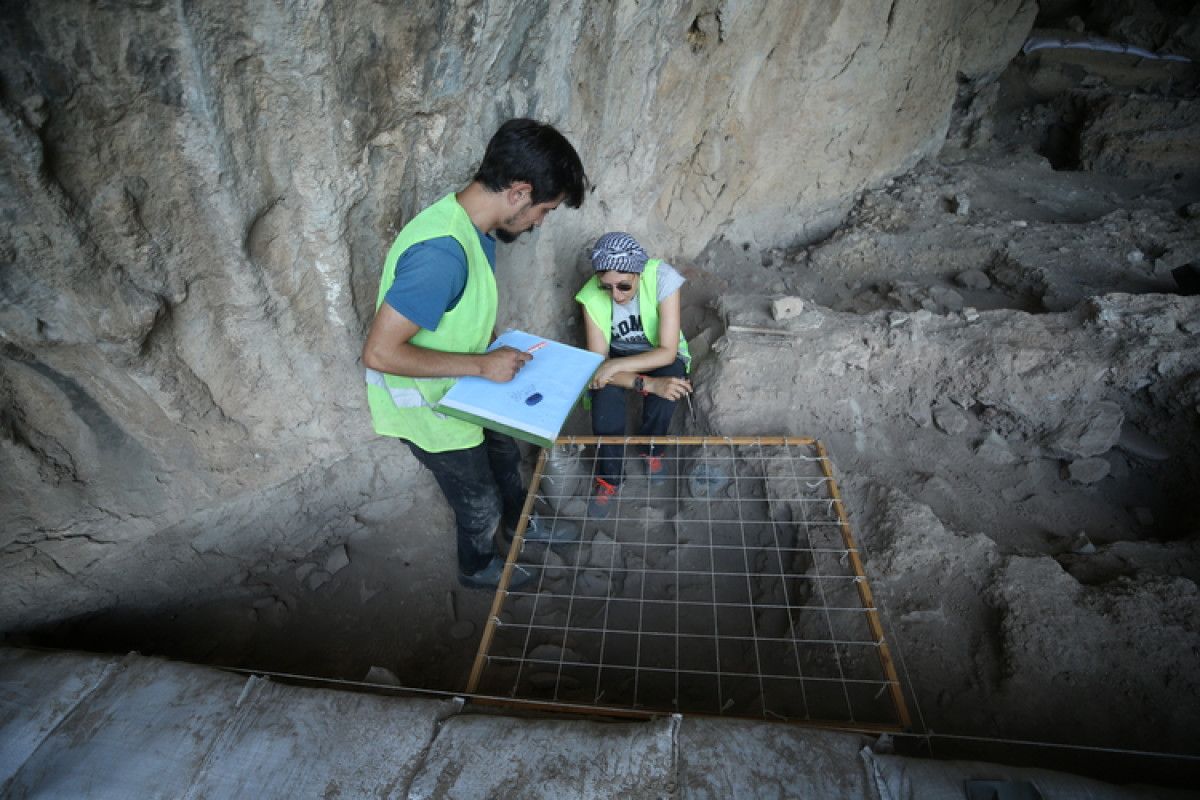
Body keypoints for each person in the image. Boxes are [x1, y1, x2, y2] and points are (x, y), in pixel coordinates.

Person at [362, 119, 588, 589]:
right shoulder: (442, 253)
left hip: (467, 390)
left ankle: (523, 526)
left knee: (505, 458)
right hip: (432, 413)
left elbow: (453, 315)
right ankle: (477, 566)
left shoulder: (475, 229)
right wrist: (484, 364)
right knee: (478, 497)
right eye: (544, 209)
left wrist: (486, 355)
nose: (541, 222)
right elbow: (380, 353)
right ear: (519, 192)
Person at [575, 232, 692, 516]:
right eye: (607, 288)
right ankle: (609, 477)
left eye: (624, 286)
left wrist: (614, 367)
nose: (616, 296)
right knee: (604, 404)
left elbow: (666, 350)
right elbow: (598, 369)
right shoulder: (590, 296)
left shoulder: (662, 278)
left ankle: (651, 448)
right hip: (617, 358)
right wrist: (646, 383)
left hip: (655, 352)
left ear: (638, 271)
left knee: (671, 384)